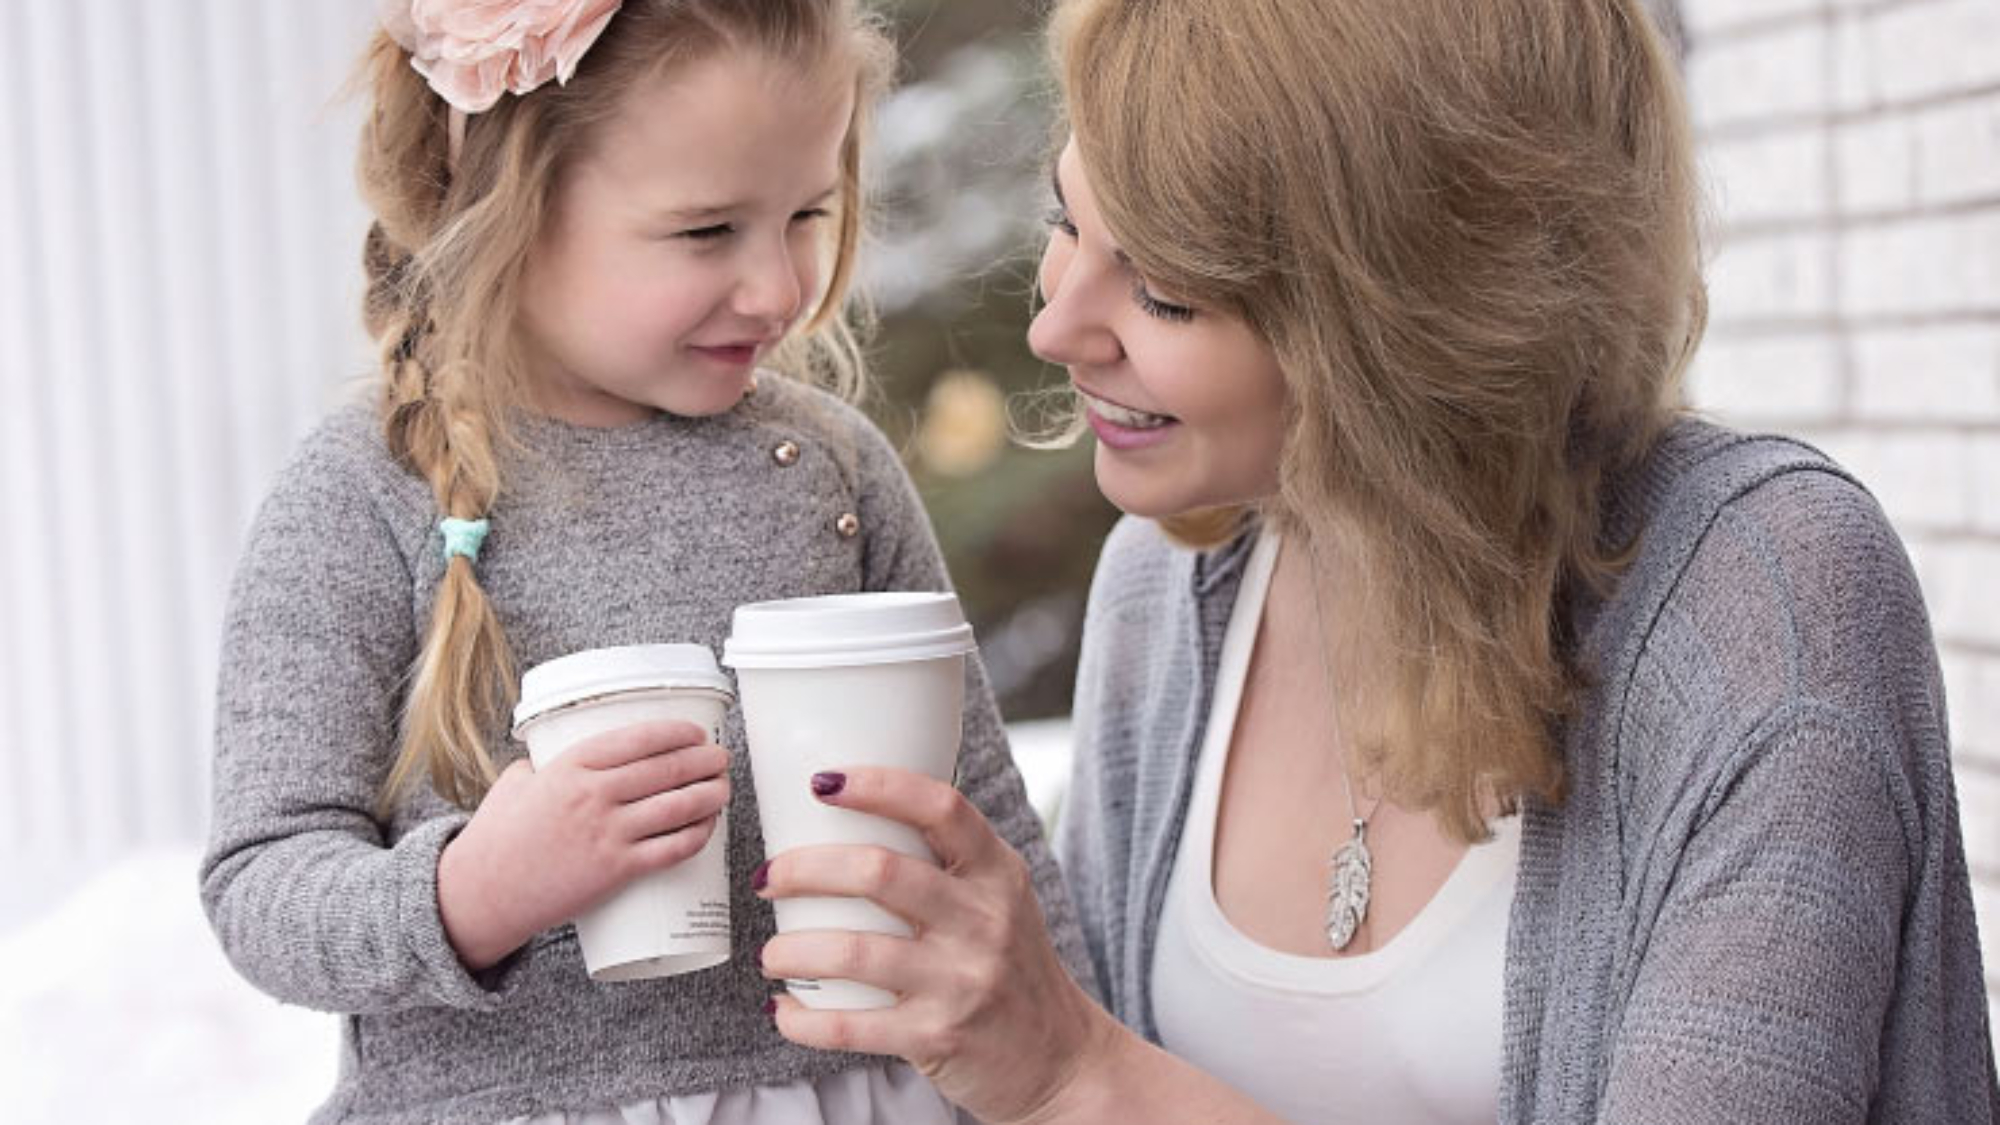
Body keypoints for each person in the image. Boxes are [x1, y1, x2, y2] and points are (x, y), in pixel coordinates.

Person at [752, 0, 2000, 1121]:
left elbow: (1088, 1077)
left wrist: (1081, 1077)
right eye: (1064, 223)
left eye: (1167, 292)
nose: (1054, 324)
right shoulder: (1168, 592)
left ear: (1407, 313)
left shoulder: (1763, 600)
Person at [197, 3, 1086, 1123]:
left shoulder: (830, 471)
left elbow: (984, 819)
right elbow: (262, 882)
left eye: (806, 213)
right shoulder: (371, 489)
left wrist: (1071, 1065)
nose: (778, 289)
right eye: (706, 232)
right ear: (507, 206)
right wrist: (474, 890)